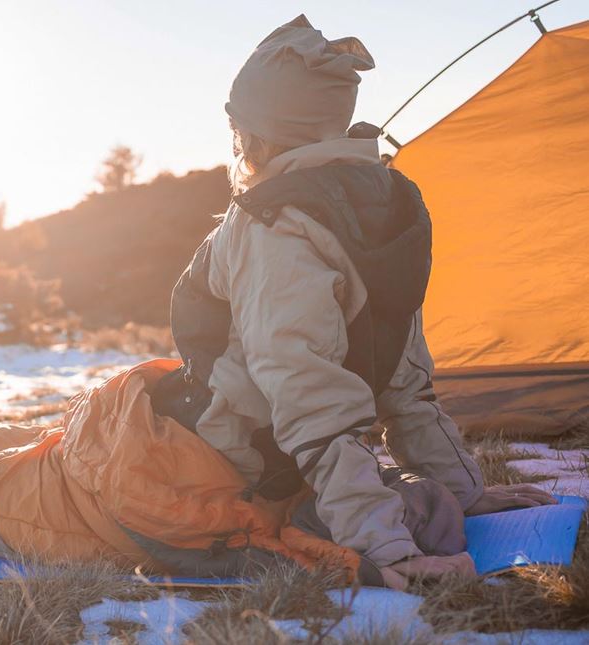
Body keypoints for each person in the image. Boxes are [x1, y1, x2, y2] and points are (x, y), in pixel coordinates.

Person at [157, 15, 555, 589]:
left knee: (21, 495)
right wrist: (460, 492)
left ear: (256, 135)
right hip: (238, 446)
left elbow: (309, 399)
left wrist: (386, 548)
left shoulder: (274, 228)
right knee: (8, 468)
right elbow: (404, 384)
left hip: (215, 465)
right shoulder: (383, 202)